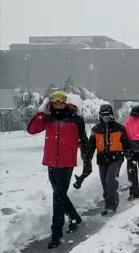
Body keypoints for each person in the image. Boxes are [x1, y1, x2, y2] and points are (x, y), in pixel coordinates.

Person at [27, 90, 88, 249]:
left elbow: (83, 141)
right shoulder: (48, 118)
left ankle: (56, 235)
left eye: (61, 101)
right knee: (59, 194)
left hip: (67, 164)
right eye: (54, 101)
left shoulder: (76, 120)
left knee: (58, 197)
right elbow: (32, 129)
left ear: (66, 101)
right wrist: (42, 112)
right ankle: (74, 217)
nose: (58, 104)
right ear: (50, 103)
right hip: (51, 163)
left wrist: (86, 160)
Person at [85, 104, 131, 216]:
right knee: (104, 183)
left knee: (111, 180)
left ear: (112, 115)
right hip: (102, 160)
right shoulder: (96, 129)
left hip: (116, 159)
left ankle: (112, 205)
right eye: (103, 115)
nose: (106, 117)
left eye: (108, 115)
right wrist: (87, 158)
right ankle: (107, 204)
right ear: (100, 116)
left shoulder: (119, 128)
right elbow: (91, 146)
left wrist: (128, 152)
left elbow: (126, 143)